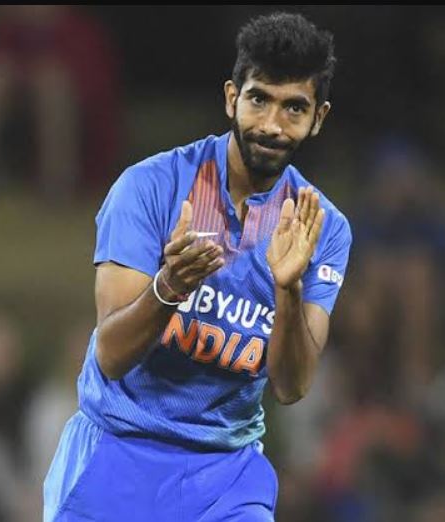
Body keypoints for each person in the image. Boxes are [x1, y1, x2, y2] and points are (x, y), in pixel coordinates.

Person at [44, 12, 352, 522]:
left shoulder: (322, 227)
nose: (272, 125)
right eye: (259, 99)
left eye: (294, 108)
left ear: (318, 117)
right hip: (118, 451)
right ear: (232, 98)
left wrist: (289, 289)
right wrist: (168, 287)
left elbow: (291, 387)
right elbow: (112, 357)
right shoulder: (149, 188)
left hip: (225, 473)